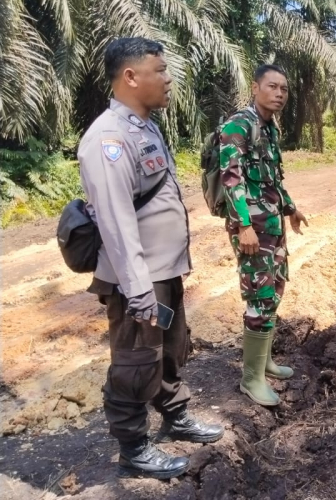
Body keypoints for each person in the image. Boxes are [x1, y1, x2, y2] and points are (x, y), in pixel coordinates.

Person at [79, 37, 223, 479]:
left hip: (164, 270)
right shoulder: (109, 139)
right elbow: (118, 225)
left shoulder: (144, 125)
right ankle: (134, 448)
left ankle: (176, 417)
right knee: (135, 362)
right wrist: (139, 290)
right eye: (159, 70)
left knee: (169, 352)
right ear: (130, 77)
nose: (168, 78)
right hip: (137, 279)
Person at [219, 64, 308, 407]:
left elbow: (271, 179)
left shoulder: (268, 128)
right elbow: (231, 178)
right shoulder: (238, 126)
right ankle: (251, 378)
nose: (280, 93)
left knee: (276, 288)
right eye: (272, 86)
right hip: (251, 228)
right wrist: (243, 225)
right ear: (255, 88)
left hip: (272, 223)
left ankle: (265, 361)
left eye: (284, 89)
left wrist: (290, 208)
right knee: (260, 294)